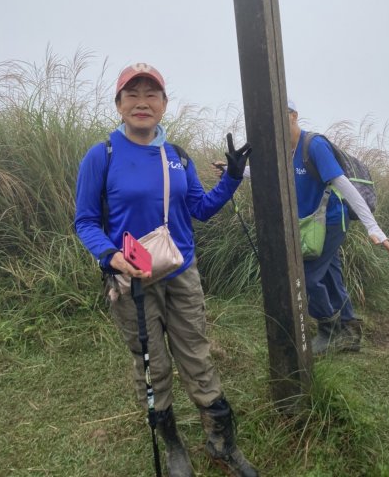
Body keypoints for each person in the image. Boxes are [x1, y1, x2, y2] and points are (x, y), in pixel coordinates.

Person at [75, 63, 258, 477]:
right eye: (132, 94)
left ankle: (221, 443)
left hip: (181, 273)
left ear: (164, 104)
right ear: (119, 104)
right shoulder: (101, 155)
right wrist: (109, 255)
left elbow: (200, 209)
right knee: (151, 364)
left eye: (151, 93)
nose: (142, 102)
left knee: (196, 355)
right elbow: (85, 220)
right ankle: (174, 446)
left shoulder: (177, 156)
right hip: (132, 279)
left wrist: (232, 177)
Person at [213, 99, 389, 356]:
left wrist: (373, 227)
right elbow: (274, 174)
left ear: (294, 115)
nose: (275, 123)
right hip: (313, 222)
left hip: (331, 221)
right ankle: (349, 333)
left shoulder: (314, 145)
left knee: (306, 275)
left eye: (281, 115)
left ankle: (328, 331)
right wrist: (236, 171)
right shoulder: (284, 150)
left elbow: (345, 186)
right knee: (331, 275)